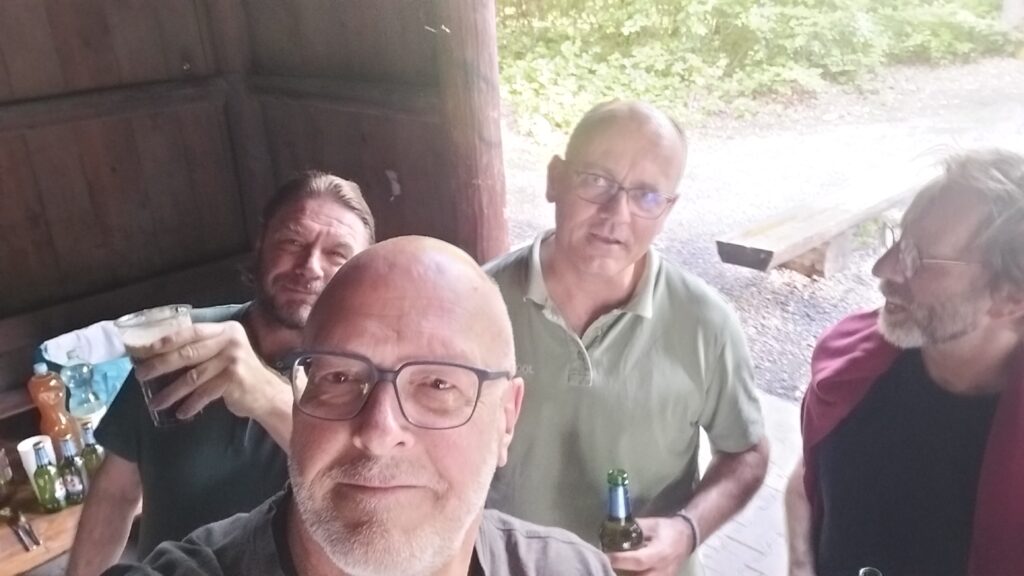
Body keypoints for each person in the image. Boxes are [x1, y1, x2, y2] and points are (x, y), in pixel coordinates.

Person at [102, 236, 616, 576]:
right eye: (340, 377)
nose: (379, 430)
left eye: (438, 384)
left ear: (506, 419)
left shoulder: (569, 570)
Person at [485, 100, 770, 576]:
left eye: (647, 196)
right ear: (555, 179)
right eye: (596, 180)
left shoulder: (705, 322)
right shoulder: (478, 304)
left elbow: (747, 452)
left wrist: (687, 529)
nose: (616, 213)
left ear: (668, 209)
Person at [68, 171, 376, 576]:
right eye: (292, 241)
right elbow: (116, 491)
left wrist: (267, 396)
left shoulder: (369, 378)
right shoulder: (176, 341)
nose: (310, 266)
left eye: (337, 254)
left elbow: (365, 504)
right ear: (261, 243)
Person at [786, 149, 1024, 576]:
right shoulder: (852, 367)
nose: (883, 270)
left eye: (917, 259)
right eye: (897, 241)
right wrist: (800, 564)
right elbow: (809, 474)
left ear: (1010, 298)